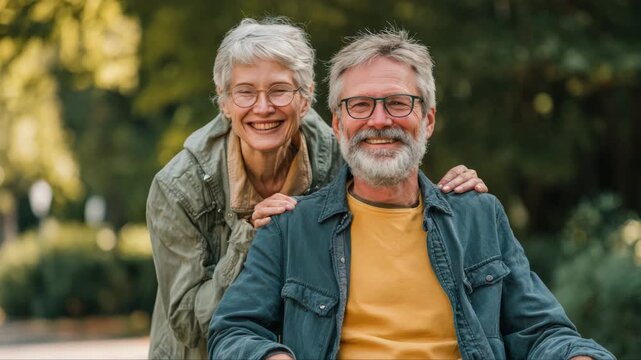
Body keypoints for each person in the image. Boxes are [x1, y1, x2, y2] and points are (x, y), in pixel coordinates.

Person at [207, 29, 616, 360]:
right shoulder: (290, 227)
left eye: (399, 103)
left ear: (429, 119)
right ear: (337, 123)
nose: (380, 120)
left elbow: (542, 331)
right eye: (360, 105)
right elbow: (233, 331)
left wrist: (576, 356)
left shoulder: (479, 217)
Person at [146, 18, 487, 359]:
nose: (263, 107)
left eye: (279, 90)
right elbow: (189, 324)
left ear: (306, 98)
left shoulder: (340, 155)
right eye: (245, 92)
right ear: (224, 102)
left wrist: (453, 197)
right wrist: (249, 235)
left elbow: (394, 157)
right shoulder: (179, 187)